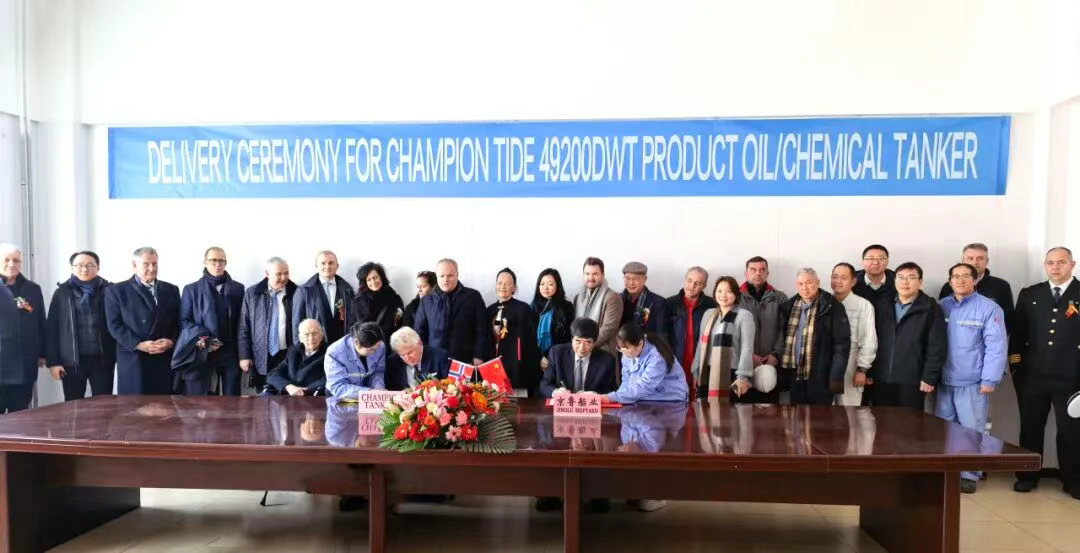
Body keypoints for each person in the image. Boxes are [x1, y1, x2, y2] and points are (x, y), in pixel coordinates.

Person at [1010, 247, 1080, 498]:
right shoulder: (1030, 294)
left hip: (1073, 377)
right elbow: (1018, 334)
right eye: (1050, 262)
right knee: (1030, 427)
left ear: (1072, 264)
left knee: (1071, 431)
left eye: (1061, 262)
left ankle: (1073, 480)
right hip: (1033, 376)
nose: (1055, 267)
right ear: (1045, 265)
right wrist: (1016, 368)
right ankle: (1028, 476)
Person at [937, 263, 1006, 494]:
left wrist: (989, 379)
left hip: (973, 382)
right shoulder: (941, 306)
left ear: (975, 280)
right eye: (955, 276)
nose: (960, 280)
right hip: (944, 381)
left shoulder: (989, 308)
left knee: (971, 430)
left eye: (966, 276)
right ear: (949, 281)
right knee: (943, 429)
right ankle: (945, 472)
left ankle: (968, 475)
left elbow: (996, 346)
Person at [868, 262, 946, 409]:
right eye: (901, 277)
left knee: (910, 421)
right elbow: (871, 340)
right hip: (881, 378)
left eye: (911, 277)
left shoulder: (931, 308)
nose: (905, 282)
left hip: (913, 380)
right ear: (894, 281)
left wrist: (929, 377)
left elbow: (937, 346)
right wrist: (869, 372)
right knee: (881, 420)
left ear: (920, 282)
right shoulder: (882, 304)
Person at [105, 247, 181, 395]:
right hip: (134, 357)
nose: (152, 268)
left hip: (164, 357)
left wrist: (171, 341)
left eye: (155, 263)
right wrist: (138, 344)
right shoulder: (116, 291)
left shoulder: (171, 289)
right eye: (146, 264)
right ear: (134, 266)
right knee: (135, 405)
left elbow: (178, 321)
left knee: (164, 405)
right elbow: (114, 325)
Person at [46, 250, 116, 401]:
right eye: (79, 265)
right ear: (72, 268)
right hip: (71, 362)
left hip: (103, 361)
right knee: (73, 406)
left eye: (90, 265)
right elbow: (51, 329)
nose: (84, 269)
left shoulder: (110, 291)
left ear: (98, 267)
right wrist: (53, 362)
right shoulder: (62, 293)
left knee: (104, 405)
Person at [174, 247, 245, 395]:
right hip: (202, 352)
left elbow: (243, 322)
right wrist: (205, 342)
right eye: (213, 261)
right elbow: (185, 321)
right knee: (203, 401)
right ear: (205, 262)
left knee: (232, 399)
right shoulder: (191, 289)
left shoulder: (238, 288)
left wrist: (244, 354)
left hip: (230, 352)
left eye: (221, 261)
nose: (217, 264)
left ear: (225, 263)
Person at [777, 269, 851, 405]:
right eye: (800, 284)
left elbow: (842, 346)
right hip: (794, 372)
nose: (804, 287)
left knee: (821, 415)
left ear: (818, 283)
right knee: (796, 414)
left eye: (809, 282)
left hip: (821, 374)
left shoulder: (832, 306)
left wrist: (835, 378)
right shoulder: (788, 307)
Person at [690, 276, 755, 402]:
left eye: (728, 291)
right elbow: (701, 345)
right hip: (707, 372)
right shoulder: (708, 314)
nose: (723, 295)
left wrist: (742, 377)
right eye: (719, 291)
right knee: (706, 411)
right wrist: (696, 370)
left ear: (736, 294)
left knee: (732, 412)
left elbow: (747, 349)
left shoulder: (744, 316)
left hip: (733, 374)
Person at [238, 257, 297, 393]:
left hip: (287, 354)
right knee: (264, 397)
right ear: (267, 274)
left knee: (288, 396)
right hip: (261, 355)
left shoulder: (296, 292)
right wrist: (244, 356)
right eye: (279, 274)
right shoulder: (252, 293)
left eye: (286, 273)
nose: (284, 278)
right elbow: (243, 327)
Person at [413, 259, 488, 365]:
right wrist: (424, 357)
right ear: (437, 277)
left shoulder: (473, 297)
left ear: (457, 275)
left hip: (466, 362)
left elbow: (481, 329)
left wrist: (478, 356)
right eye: (442, 276)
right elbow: (419, 333)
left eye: (450, 276)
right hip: (435, 362)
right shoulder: (426, 301)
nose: (445, 280)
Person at [0, 243, 46, 412]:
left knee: (20, 416)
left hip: (24, 363)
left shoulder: (33, 289)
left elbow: (41, 322)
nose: (11, 264)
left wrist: (43, 353)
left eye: (16, 260)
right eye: (6, 260)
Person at [602, 323, 688, 404]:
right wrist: (616, 399)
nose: (623, 352)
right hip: (646, 399)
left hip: (670, 400)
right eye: (620, 348)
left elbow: (644, 386)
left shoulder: (657, 357)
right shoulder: (626, 354)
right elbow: (626, 382)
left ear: (640, 343)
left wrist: (611, 397)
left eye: (627, 348)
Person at [486, 268, 540, 396]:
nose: (502, 286)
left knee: (518, 405)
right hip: (493, 367)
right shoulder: (489, 310)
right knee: (493, 404)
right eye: (500, 283)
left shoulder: (524, 309)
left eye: (507, 283)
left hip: (517, 367)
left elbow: (532, 341)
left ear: (514, 287)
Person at [938, 243, 1015, 332]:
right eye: (970, 258)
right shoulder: (949, 286)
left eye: (980, 258)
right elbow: (940, 317)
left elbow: (1008, 319)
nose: (975, 262)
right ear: (963, 260)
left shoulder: (1001, 286)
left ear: (987, 261)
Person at [830, 262, 877, 406]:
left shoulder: (863, 305)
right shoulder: (825, 302)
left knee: (849, 410)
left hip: (851, 362)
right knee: (826, 409)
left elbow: (869, 339)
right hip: (826, 362)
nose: (838, 281)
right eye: (835, 277)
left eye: (843, 277)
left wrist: (862, 369)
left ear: (853, 281)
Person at [665, 267, 717, 396]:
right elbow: (663, 335)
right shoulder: (669, 304)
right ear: (684, 280)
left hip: (701, 361)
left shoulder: (712, 305)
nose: (691, 286)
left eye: (697, 283)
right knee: (676, 398)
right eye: (689, 281)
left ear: (704, 286)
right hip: (675, 360)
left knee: (700, 399)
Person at [539, 317, 618, 397]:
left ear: (594, 343)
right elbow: (544, 384)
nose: (582, 348)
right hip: (565, 403)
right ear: (572, 339)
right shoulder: (557, 353)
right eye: (578, 341)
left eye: (588, 342)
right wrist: (555, 392)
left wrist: (597, 395)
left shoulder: (607, 360)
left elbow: (612, 390)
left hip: (590, 403)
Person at [292, 250, 354, 345]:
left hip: (341, 345)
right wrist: (299, 348)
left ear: (337, 266)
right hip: (315, 346)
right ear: (316, 266)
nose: (327, 266)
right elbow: (297, 324)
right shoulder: (304, 291)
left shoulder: (347, 290)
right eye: (323, 263)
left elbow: (353, 320)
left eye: (331, 263)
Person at [738, 257, 788, 372]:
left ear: (767, 273)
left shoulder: (780, 298)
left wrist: (776, 355)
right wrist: (748, 355)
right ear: (746, 273)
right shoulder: (736, 298)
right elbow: (733, 331)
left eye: (762, 270)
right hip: (743, 362)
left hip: (772, 362)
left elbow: (785, 329)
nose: (758, 273)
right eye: (753, 270)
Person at [573, 257, 624, 357]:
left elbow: (608, 329)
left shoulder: (613, 297)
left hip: (603, 352)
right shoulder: (578, 298)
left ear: (603, 274)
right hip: (580, 352)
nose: (590, 278)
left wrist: (585, 346)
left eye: (595, 274)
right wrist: (579, 347)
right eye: (587, 274)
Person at [265, 319, 328, 396]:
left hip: (314, 397)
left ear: (322, 335)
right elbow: (273, 374)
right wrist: (288, 386)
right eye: (306, 334)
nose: (311, 338)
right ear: (300, 337)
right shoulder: (293, 352)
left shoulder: (329, 353)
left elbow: (330, 378)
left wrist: (307, 389)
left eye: (314, 333)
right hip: (288, 396)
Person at [326, 322, 387, 397]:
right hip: (340, 397)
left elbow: (378, 372)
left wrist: (379, 389)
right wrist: (369, 392)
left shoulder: (380, 346)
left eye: (377, 348)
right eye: (371, 349)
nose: (375, 352)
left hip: (369, 396)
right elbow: (338, 387)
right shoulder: (335, 352)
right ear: (356, 343)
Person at [530, 268, 576, 370]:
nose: (545, 288)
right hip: (535, 358)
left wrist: (548, 356)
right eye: (542, 284)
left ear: (557, 285)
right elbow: (529, 336)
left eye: (550, 284)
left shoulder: (566, 307)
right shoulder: (533, 306)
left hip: (558, 357)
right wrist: (539, 357)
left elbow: (567, 336)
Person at [352, 262, 405, 343]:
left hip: (391, 343)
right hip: (370, 346)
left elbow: (400, 321)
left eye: (375, 277)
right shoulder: (358, 302)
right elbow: (354, 327)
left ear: (381, 277)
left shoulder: (394, 297)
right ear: (365, 282)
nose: (373, 282)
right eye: (369, 280)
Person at [385, 326, 451, 391]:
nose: (407, 358)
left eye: (410, 353)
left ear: (419, 343)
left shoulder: (440, 357)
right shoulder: (392, 362)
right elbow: (390, 389)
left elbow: (451, 387)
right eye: (402, 355)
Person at [619, 262, 668, 340]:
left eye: (635, 279)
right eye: (627, 278)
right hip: (619, 345)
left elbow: (660, 336)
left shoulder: (658, 303)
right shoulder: (617, 299)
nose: (631, 283)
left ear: (645, 279)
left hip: (646, 345)